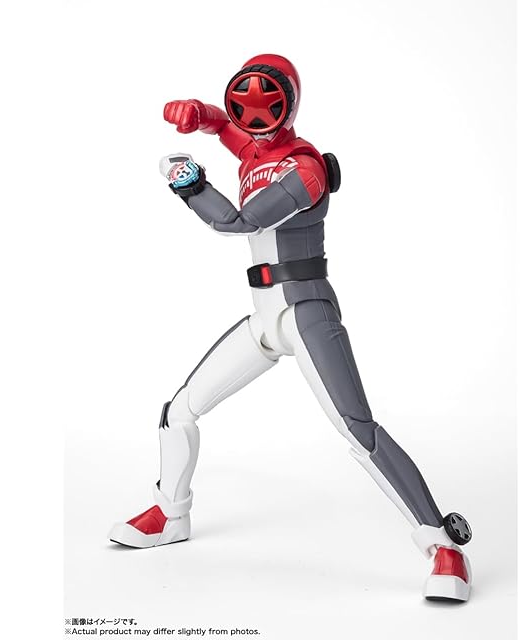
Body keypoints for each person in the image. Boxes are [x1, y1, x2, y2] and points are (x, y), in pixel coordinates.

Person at [108, 54, 473, 603]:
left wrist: (190, 184)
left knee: (359, 430)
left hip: (305, 310)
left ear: (289, 105)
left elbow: (238, 222)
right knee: (179, 410)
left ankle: (443, 544)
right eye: (246, 107)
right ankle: (170, 513)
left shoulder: (305, 168)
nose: (254, 120)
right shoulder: (255, 151)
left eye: (265, 107)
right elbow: (224, 127)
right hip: (263, 316)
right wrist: (198, 113)